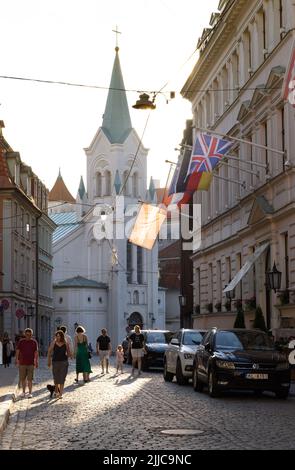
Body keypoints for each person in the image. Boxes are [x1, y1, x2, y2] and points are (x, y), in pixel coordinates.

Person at [47, 330, 71, 399]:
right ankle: (56, 392)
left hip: (64, 362)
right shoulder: (53, 343)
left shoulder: (65, 343)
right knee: (56, 378)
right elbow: (49, 352)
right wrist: (49, 361)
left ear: (62, 336)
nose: (57, 337)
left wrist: (69, 355)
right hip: (55, 362)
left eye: (59, 336)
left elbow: (68, 353)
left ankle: (60, 394)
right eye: (56, 336)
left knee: (62, 378)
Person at [15, 328, 38, 398]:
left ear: (32, 335)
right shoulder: (21, 342)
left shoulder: (34, 342)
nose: (28, 336)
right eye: (27, 334)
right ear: (25, 334)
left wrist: (36, 361)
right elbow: (18, 351)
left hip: (31, 363)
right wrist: (16, 360)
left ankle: (30, 392)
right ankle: (23, 392)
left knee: (30, 379)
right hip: (22, 363)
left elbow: (36, 352)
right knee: (23, 379)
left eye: (30, 335)